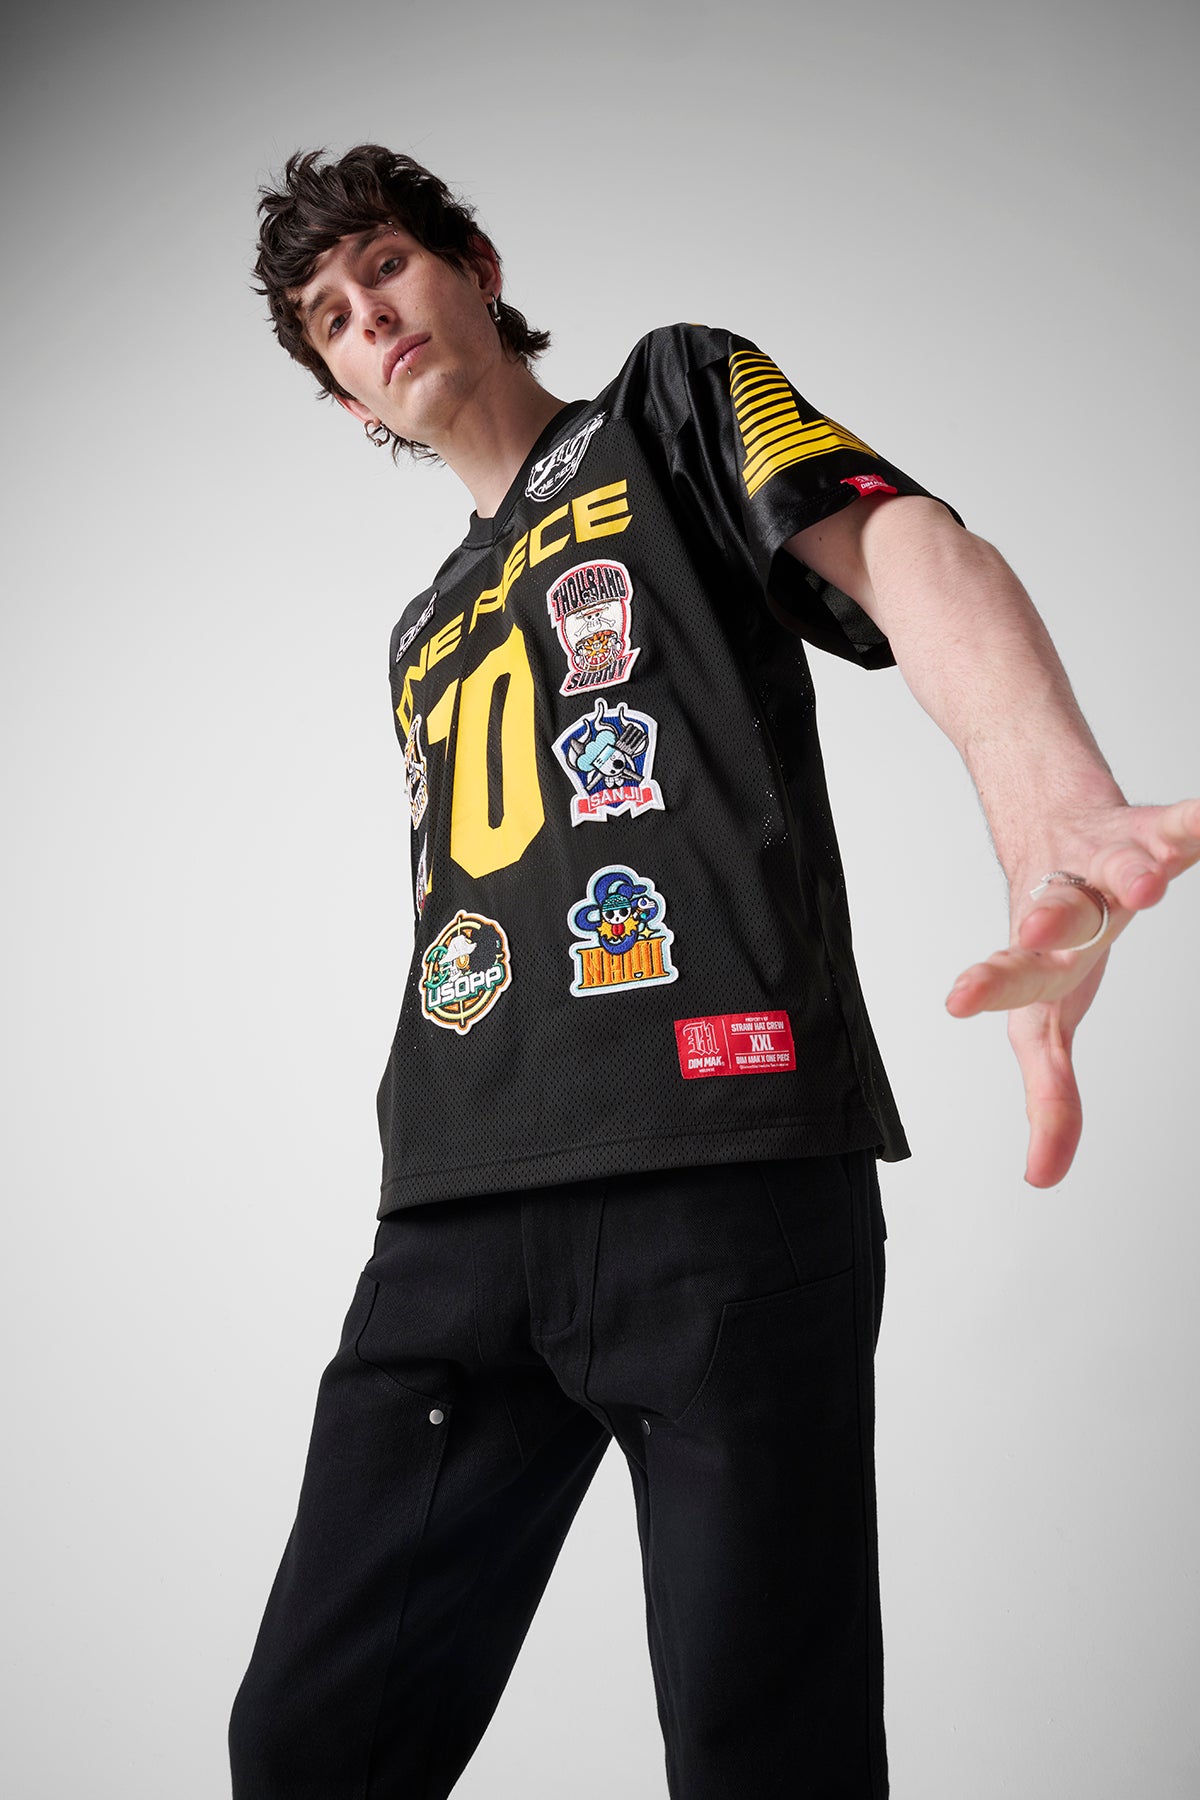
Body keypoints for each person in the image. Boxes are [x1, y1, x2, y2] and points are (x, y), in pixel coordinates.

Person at [228, 145, 1199, 1799]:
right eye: (329, 317)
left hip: (725, 1179)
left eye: (385, 266)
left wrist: (1053, 796)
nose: (368, 315)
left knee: (767, 1759)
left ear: (474, 265)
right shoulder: (419, 628)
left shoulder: (668, 401)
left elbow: (905, 547)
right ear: (342, 397)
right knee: (305, 1747)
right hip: (457, 1208)